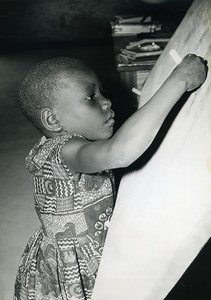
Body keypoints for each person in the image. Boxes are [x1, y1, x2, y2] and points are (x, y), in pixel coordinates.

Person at [14, 55, 207, 300]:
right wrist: (179, 80)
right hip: (76, 265)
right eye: (90, 98)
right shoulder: (65, 151)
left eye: (101, 92)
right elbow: (120, 151)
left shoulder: (60, 146)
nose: (106, 102)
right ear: (53, 120)